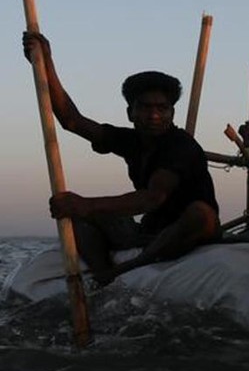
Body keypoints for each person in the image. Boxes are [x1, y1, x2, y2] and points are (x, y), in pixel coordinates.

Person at [22, 33, 220, 285]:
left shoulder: (181, 145)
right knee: (75, 214)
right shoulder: (130, 139)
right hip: (150, 231)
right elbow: (71, 120)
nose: (154, 115)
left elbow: (153, 197)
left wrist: (87, 204)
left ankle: (124, 270)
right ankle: (103, 275)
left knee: (201, 214)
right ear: (131, 113)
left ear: (172, 113)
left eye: (162, 109)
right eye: (146, 108)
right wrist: (44, 62)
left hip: (188, 229)